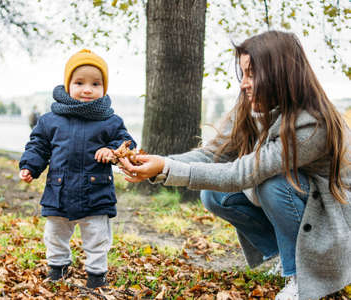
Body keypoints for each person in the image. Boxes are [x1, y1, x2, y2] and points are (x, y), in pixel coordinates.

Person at [119, 31, 350, 300]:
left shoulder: (312, 124)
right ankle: (285, 256)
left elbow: (243, 174)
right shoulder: (252, 107)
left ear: (279, 74)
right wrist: (161, 164)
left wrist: (166, 169)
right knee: (215, 194)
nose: (244, 84)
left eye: (252, 74)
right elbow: (212, 155)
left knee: (272, 183)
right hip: (301, 201)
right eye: (244, 74)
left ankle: (300, 272)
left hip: (331, 219)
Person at [19, 49, 136, 289]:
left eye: (96, 83)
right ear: (68, 84)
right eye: (79, 82)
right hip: (59, 191)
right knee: (55, 234)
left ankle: (96, 274)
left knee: (97, 236)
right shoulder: (51, 120)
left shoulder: (110, 120)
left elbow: (128, 143)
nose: (87, 89)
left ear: (104, 87)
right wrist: (30, 165)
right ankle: (57, 268)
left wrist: (113, 151)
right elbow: (39, 146)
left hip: (96, 192)